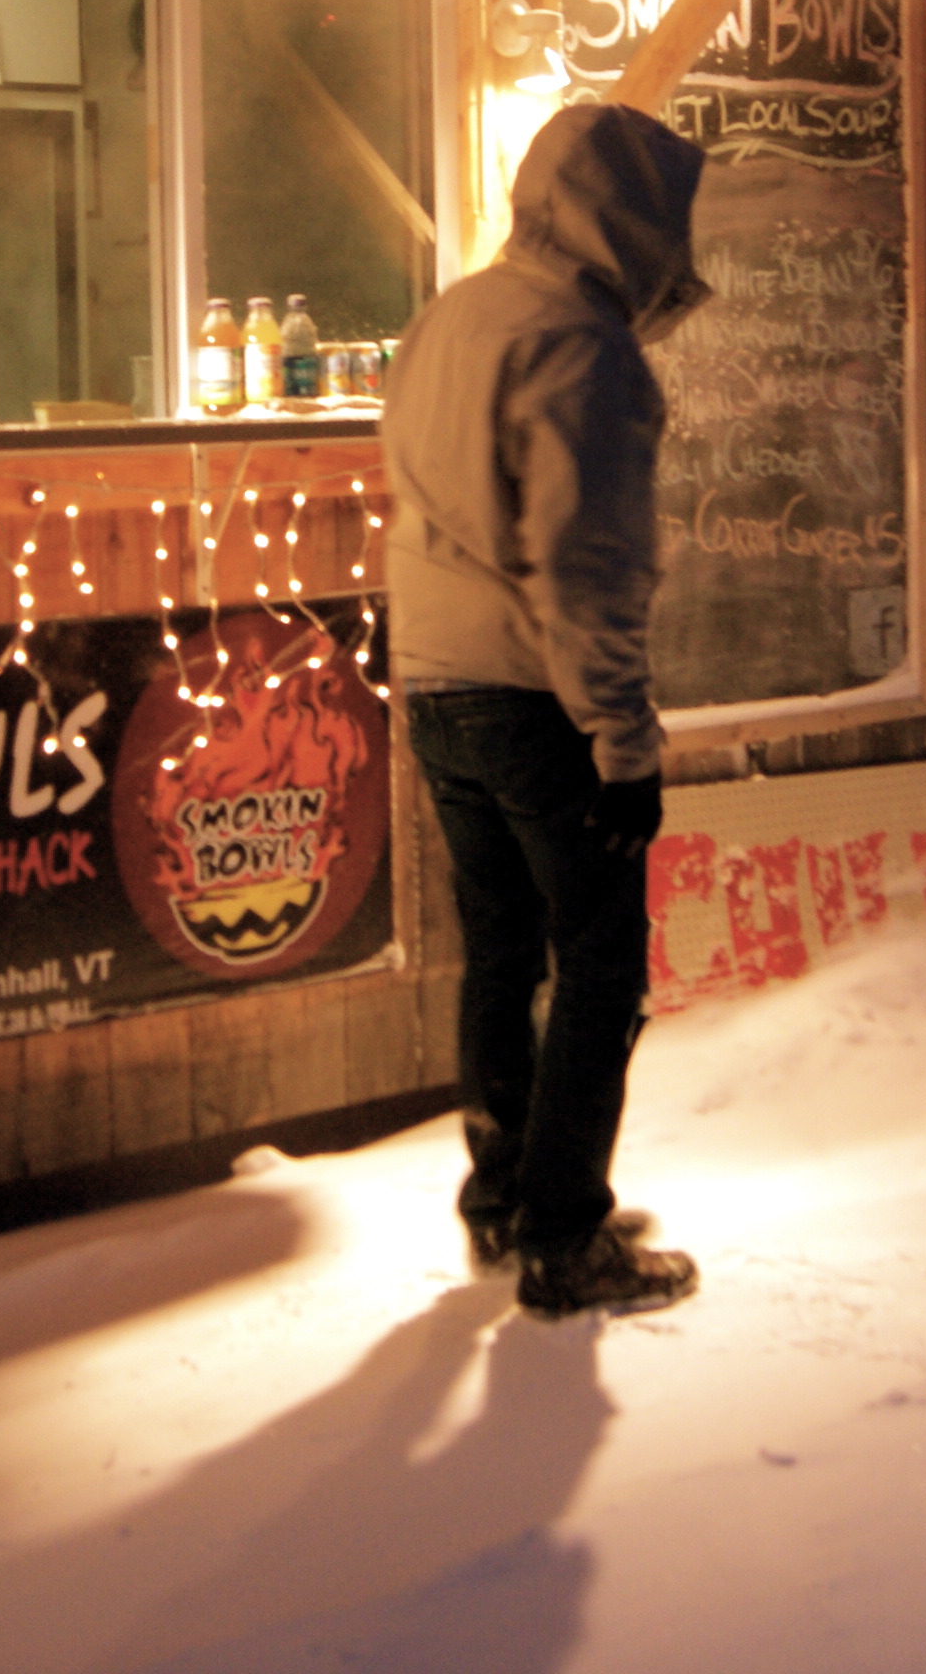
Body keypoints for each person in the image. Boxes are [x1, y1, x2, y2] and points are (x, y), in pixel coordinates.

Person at [383, 100, 709, 1319]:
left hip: (433, 685)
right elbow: (587, 567)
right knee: (600, 963)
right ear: (636, 221)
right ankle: (565, 1240)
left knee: (501, 952)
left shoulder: (452, 315)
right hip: (534, 700)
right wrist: (623, 745)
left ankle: (503, 1202)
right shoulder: (584, 351)